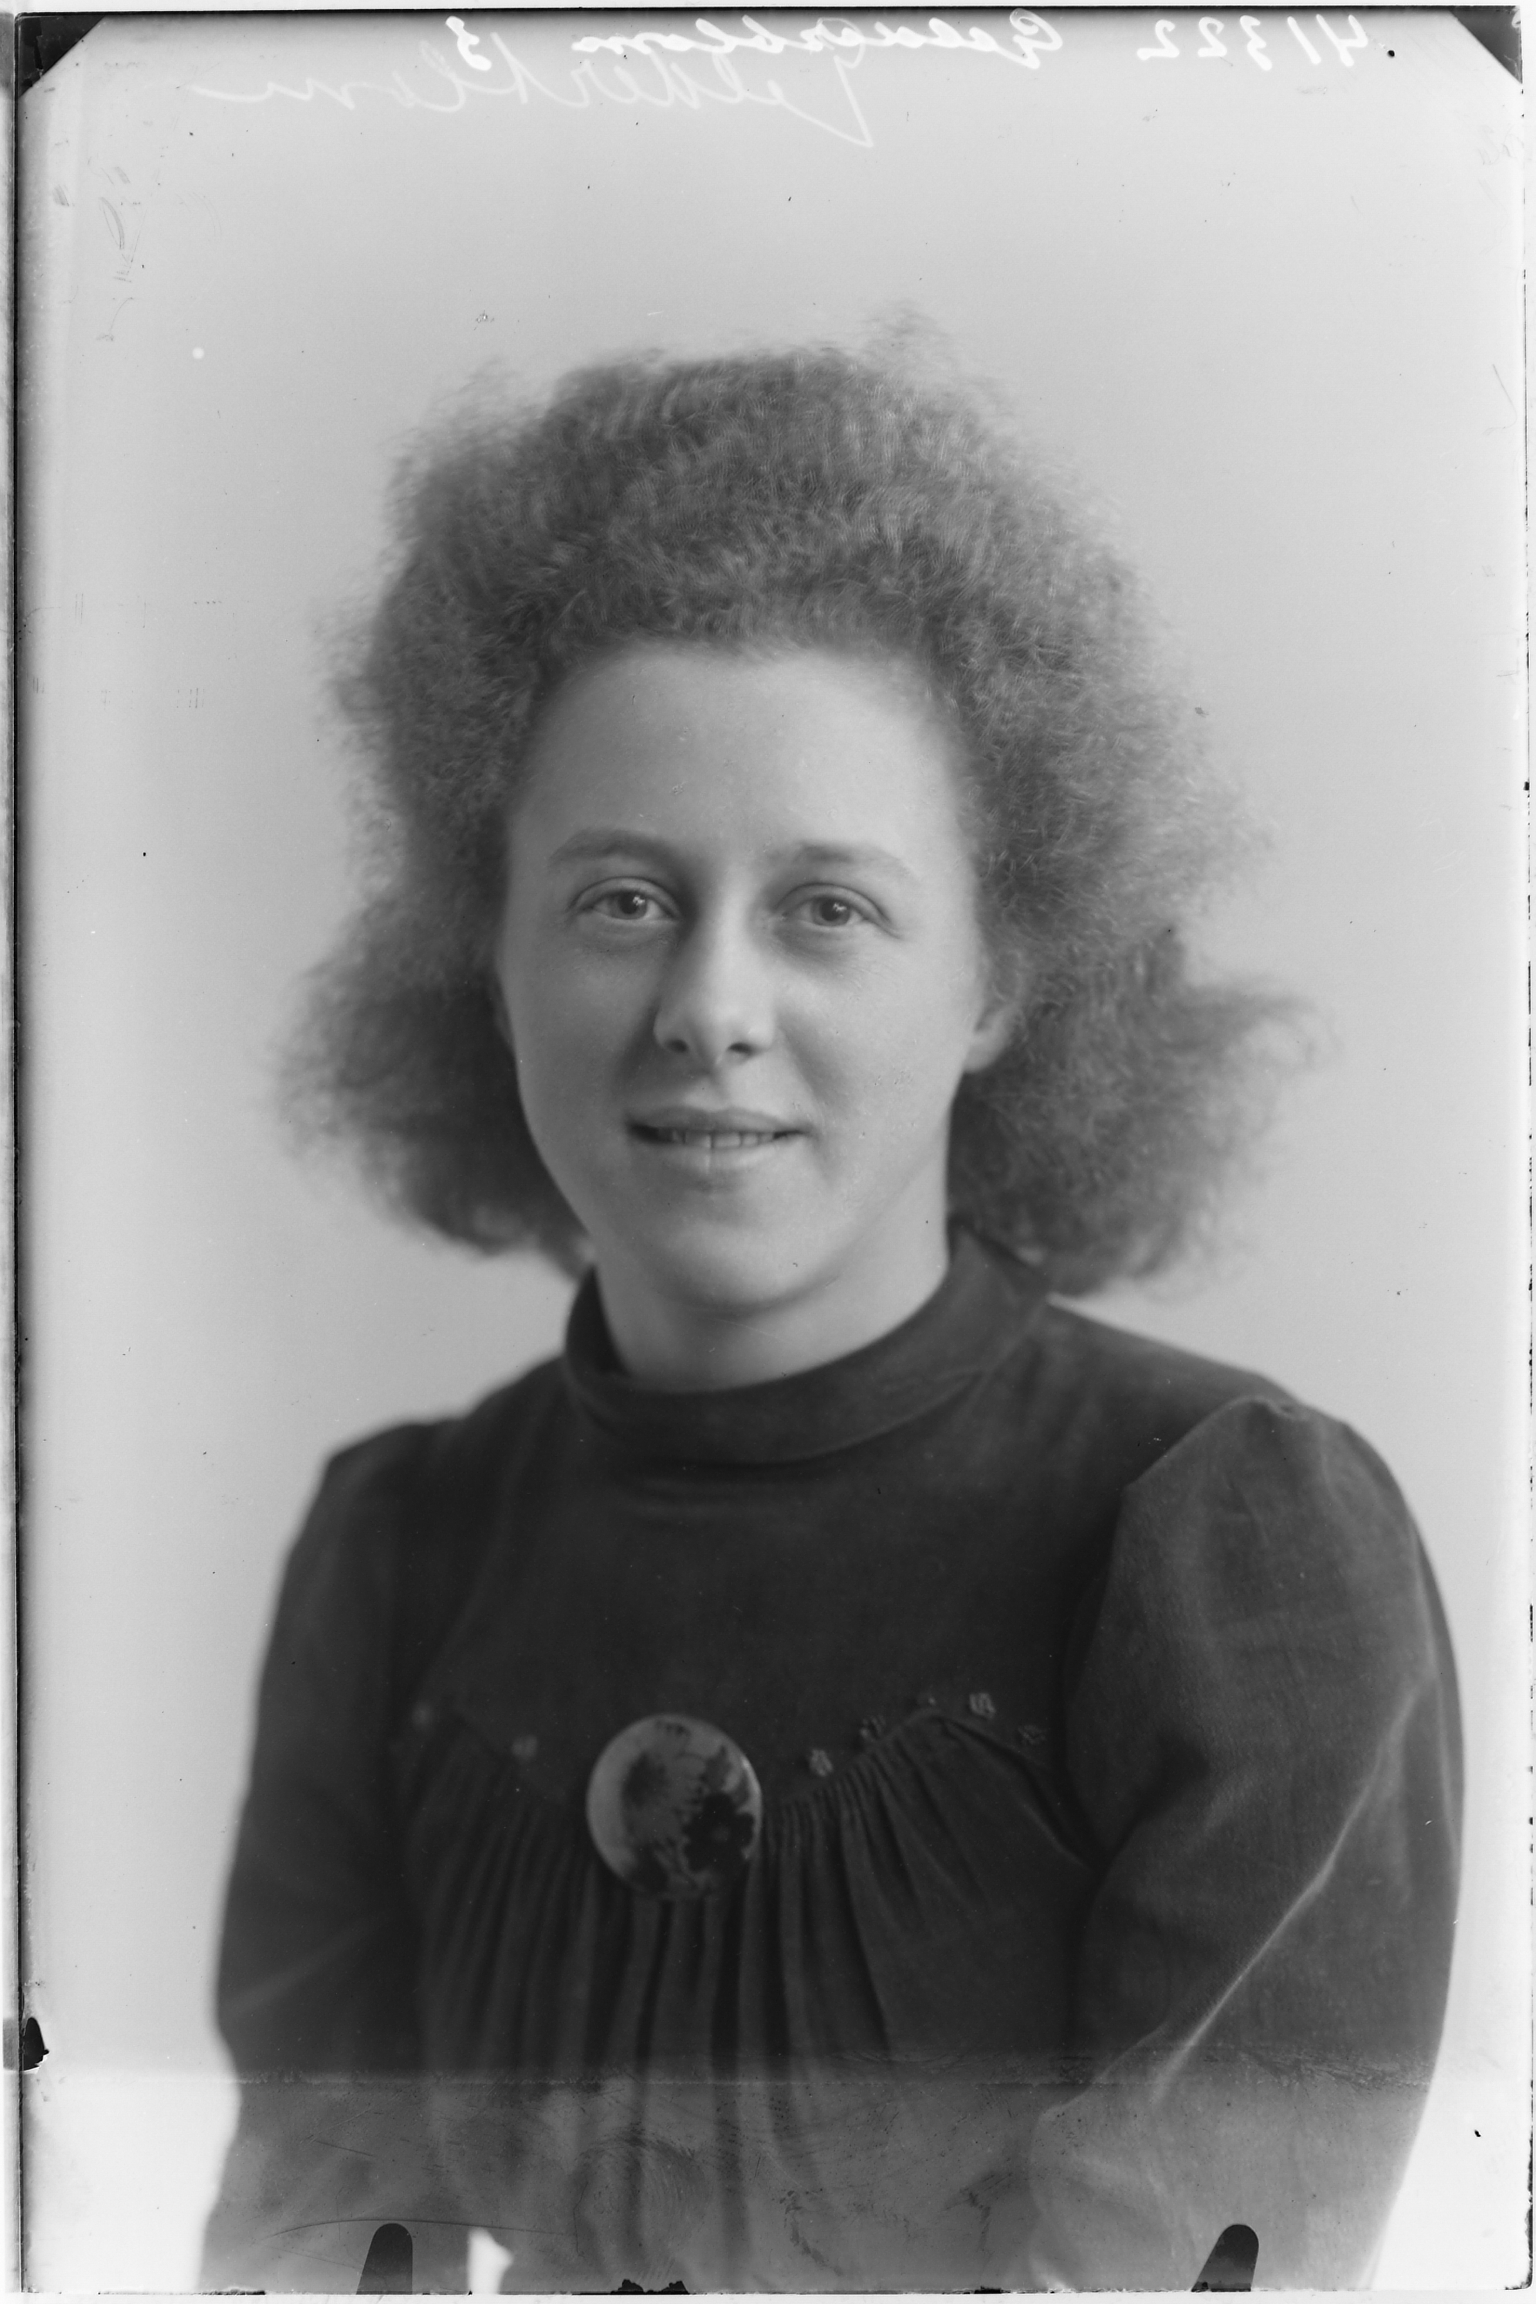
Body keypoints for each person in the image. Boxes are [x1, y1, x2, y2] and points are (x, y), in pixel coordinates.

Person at [201, 342, 1460, 2294]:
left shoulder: (1233, 1541)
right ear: (490, 957)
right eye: (623, 900)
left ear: (1001, 980)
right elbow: (300, 2245)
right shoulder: (395, 1552)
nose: (711, 1007)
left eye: (829, 908)